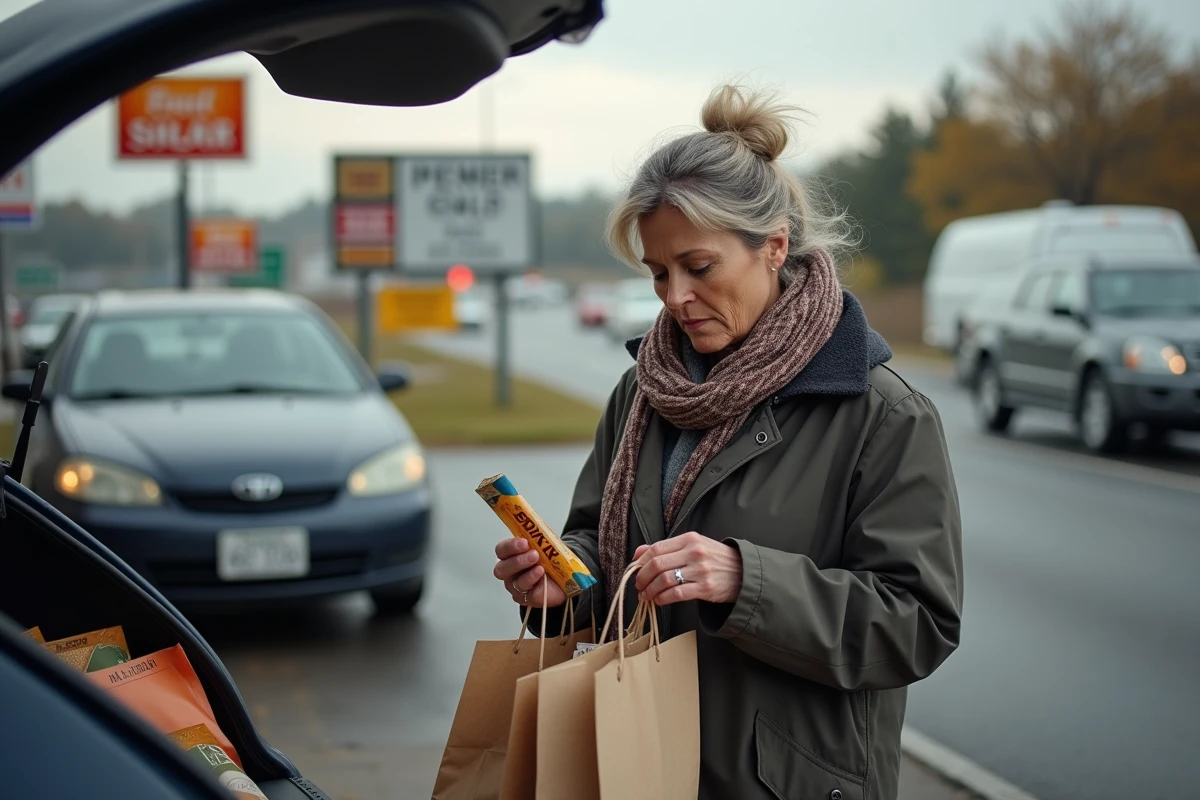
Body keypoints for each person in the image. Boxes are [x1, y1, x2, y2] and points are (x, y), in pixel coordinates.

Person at [492, 84, 963, 800]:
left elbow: (917, 624)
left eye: (699, 267)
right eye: (657, 273)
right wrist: (557, 583)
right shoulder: (644, 390)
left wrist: (748, 581)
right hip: (640, 769)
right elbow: (600, 548)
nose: (675, 297)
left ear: (773, 247)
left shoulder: (882, 413)